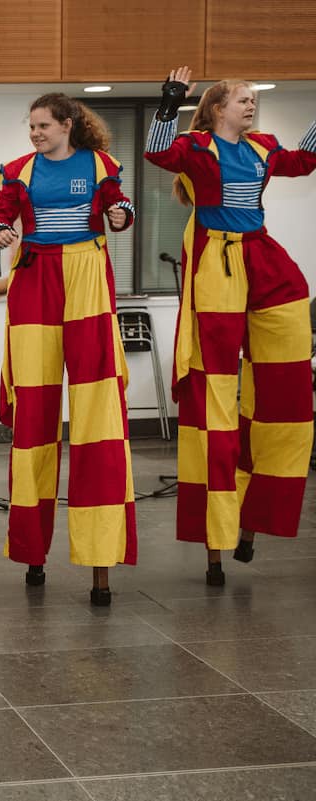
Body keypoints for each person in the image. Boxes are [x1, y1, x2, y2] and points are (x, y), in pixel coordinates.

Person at [145, 66, 316, 585]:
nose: (251, 106)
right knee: (216, 397)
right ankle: (217, 538)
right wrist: (169, 101)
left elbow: (305, 162)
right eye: (243, 99)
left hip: (262, 260)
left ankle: (254, 520)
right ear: (218, 107)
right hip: (216, 268)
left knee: (282, 398)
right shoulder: (197, 148)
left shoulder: (263, 146)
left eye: (253, 100)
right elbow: (157, 152)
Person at [0, 93, 137, 606]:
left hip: (88, 277)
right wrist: (0, 233)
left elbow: (120, 205)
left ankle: (101, 560)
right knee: (35, 422)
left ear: (68, 124)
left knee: (98, 420)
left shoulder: (100, 164)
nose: (35, 133)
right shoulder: (18, 171)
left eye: (43, 125)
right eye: (31, 126)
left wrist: (120, 216)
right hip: (37, 281)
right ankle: (32, 550)